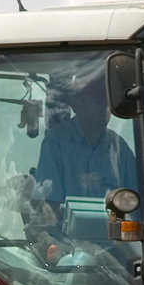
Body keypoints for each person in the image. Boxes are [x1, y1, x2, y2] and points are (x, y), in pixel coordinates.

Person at [34, 71, 138, 207]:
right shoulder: (55, 143)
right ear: (77, 103)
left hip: (113, 229)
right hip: (68, 229)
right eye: (99, 101)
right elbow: (50, 208)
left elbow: (137, 206)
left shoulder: (120, 149)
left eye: (108, 103)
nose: (104, 110)